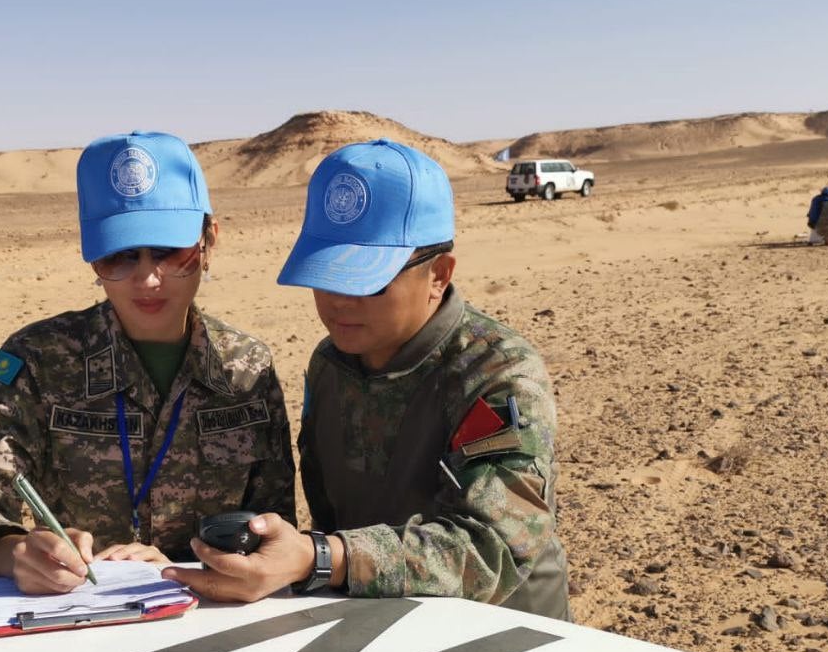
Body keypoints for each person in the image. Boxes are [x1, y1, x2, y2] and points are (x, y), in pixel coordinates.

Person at [165, 139, 571, 621]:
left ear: (438, 275)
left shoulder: (496, 373)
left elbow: (490, 549)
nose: (339, 302)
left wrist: (322, 557)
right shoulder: (331, 364)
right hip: (372, 627)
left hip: (501, 639)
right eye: (326, 275)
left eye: (367, 282)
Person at [0, 131, 296, 593]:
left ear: (209, 242)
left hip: (206, 620)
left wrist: (183, 569)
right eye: (119, 257)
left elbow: (275, 535)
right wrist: (15, 551)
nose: (147, 278)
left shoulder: (247, 369)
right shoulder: (39, 361)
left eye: (169, 252)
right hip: (75, 616)